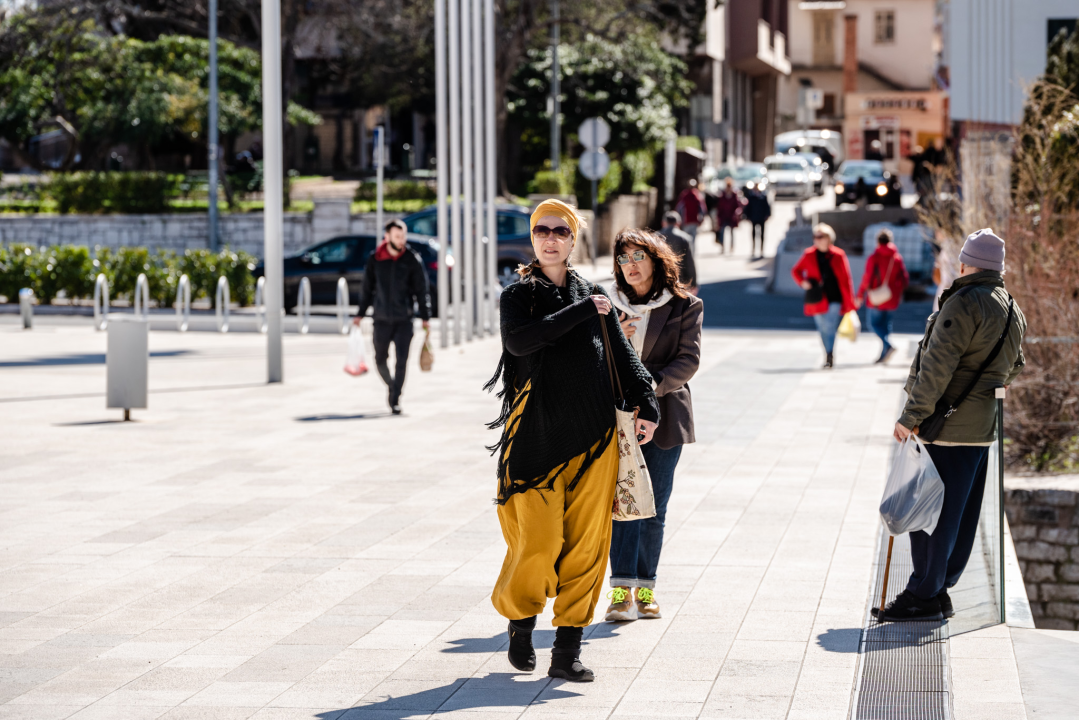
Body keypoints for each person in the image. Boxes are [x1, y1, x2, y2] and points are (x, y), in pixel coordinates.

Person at [486, 199, 660, 682]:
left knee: (586, 549)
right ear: (533, 238)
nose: (550, 238)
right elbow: (521, 342)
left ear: (573, 238)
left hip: (595, 439)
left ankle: (566, 652)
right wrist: (583, 310)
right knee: (538, 543)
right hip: (536, 441)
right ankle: (521, 624)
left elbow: (625, 358)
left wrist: (649, 401)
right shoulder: (519, 295)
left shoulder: (593, 294)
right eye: (542, 230)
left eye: (560, 231)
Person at [881, 229, 1026, 622]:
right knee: (960, 514)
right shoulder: (1011, 306)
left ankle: (922, 594)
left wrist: (909, 418)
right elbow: (1016, 364)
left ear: (964, 263)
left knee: (929, 511)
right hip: (981, 431)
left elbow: (935, 369)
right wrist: (982, 390)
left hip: (946, 430)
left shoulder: (964, 304)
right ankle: (940, 589)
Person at [604, 228, 703, 623]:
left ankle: (645, 591)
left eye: (637, 258)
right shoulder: (603, 305)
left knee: (654, 508)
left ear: (656, 261)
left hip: (663, 418)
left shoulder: (684, 305)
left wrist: (649, 390)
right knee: (621, 506)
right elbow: (587, 359)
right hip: (614, 418)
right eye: (623, 259)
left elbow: (687, 361)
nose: (629, 266)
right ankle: (620, 593)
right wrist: (614, 340)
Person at [354, 219, 431, 414]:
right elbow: (367, 289)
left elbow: (421, 290)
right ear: (387, 237)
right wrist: (360, 314)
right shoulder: (375, 259)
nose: (401, 240)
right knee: (380, 359)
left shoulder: (412, 259)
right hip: (380, 319)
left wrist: (425, 316)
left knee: (402, 360)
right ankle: (392, 386)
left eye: (403, 235)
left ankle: (395, 399)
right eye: (397, 236)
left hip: (404, 319)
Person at [791, 224, 856, 369]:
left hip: (835, 297)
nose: (817, 240)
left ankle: (830, 355)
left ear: (828, 238)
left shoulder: (838, 255)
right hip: (817, 297)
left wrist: (851, 299)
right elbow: (796, 271)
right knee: (822, 328)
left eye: (820, 237)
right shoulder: (809, 254)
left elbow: (846, 278)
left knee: (829, 325)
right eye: (815, 237)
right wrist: (803, 282)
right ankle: (827, 352)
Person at [855, 228, 910, 364]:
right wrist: (896, 291)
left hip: (877, 298)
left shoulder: (874, 257)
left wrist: (860, 294)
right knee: (886, 326)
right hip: (892, 298)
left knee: (873, 324)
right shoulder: (896, 258)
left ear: (878, 242)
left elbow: (866, 278)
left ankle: (888, 345)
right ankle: (884, 353)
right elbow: (905, 279)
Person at [657, 210, 698, 293]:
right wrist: (693, 283)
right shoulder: (685, 238)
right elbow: (689, 262)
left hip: (659, 281)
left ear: (663, 223)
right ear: (678, 223)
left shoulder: (654, 237)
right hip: (679, 282)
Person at [743, 182, 771, 260]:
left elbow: (767, 207)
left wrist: (767, 215)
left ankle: (761, 250)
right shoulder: (751, 197)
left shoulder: (763, 196)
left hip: (761, 218)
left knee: (762, 235)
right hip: (754, 218)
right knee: (754, 234)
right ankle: (753, 249)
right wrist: (747, 216)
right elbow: (748, 207)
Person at [715, 178, 743, 254]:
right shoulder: (722, 195)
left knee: (732, 233)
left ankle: (731, 246)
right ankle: (722, 246)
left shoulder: (734, 195)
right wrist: (718, 218)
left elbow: (738, 206)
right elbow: (719, 207)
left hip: (731, 217)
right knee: (722, 232)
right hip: (724, 217)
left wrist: (737, 213)